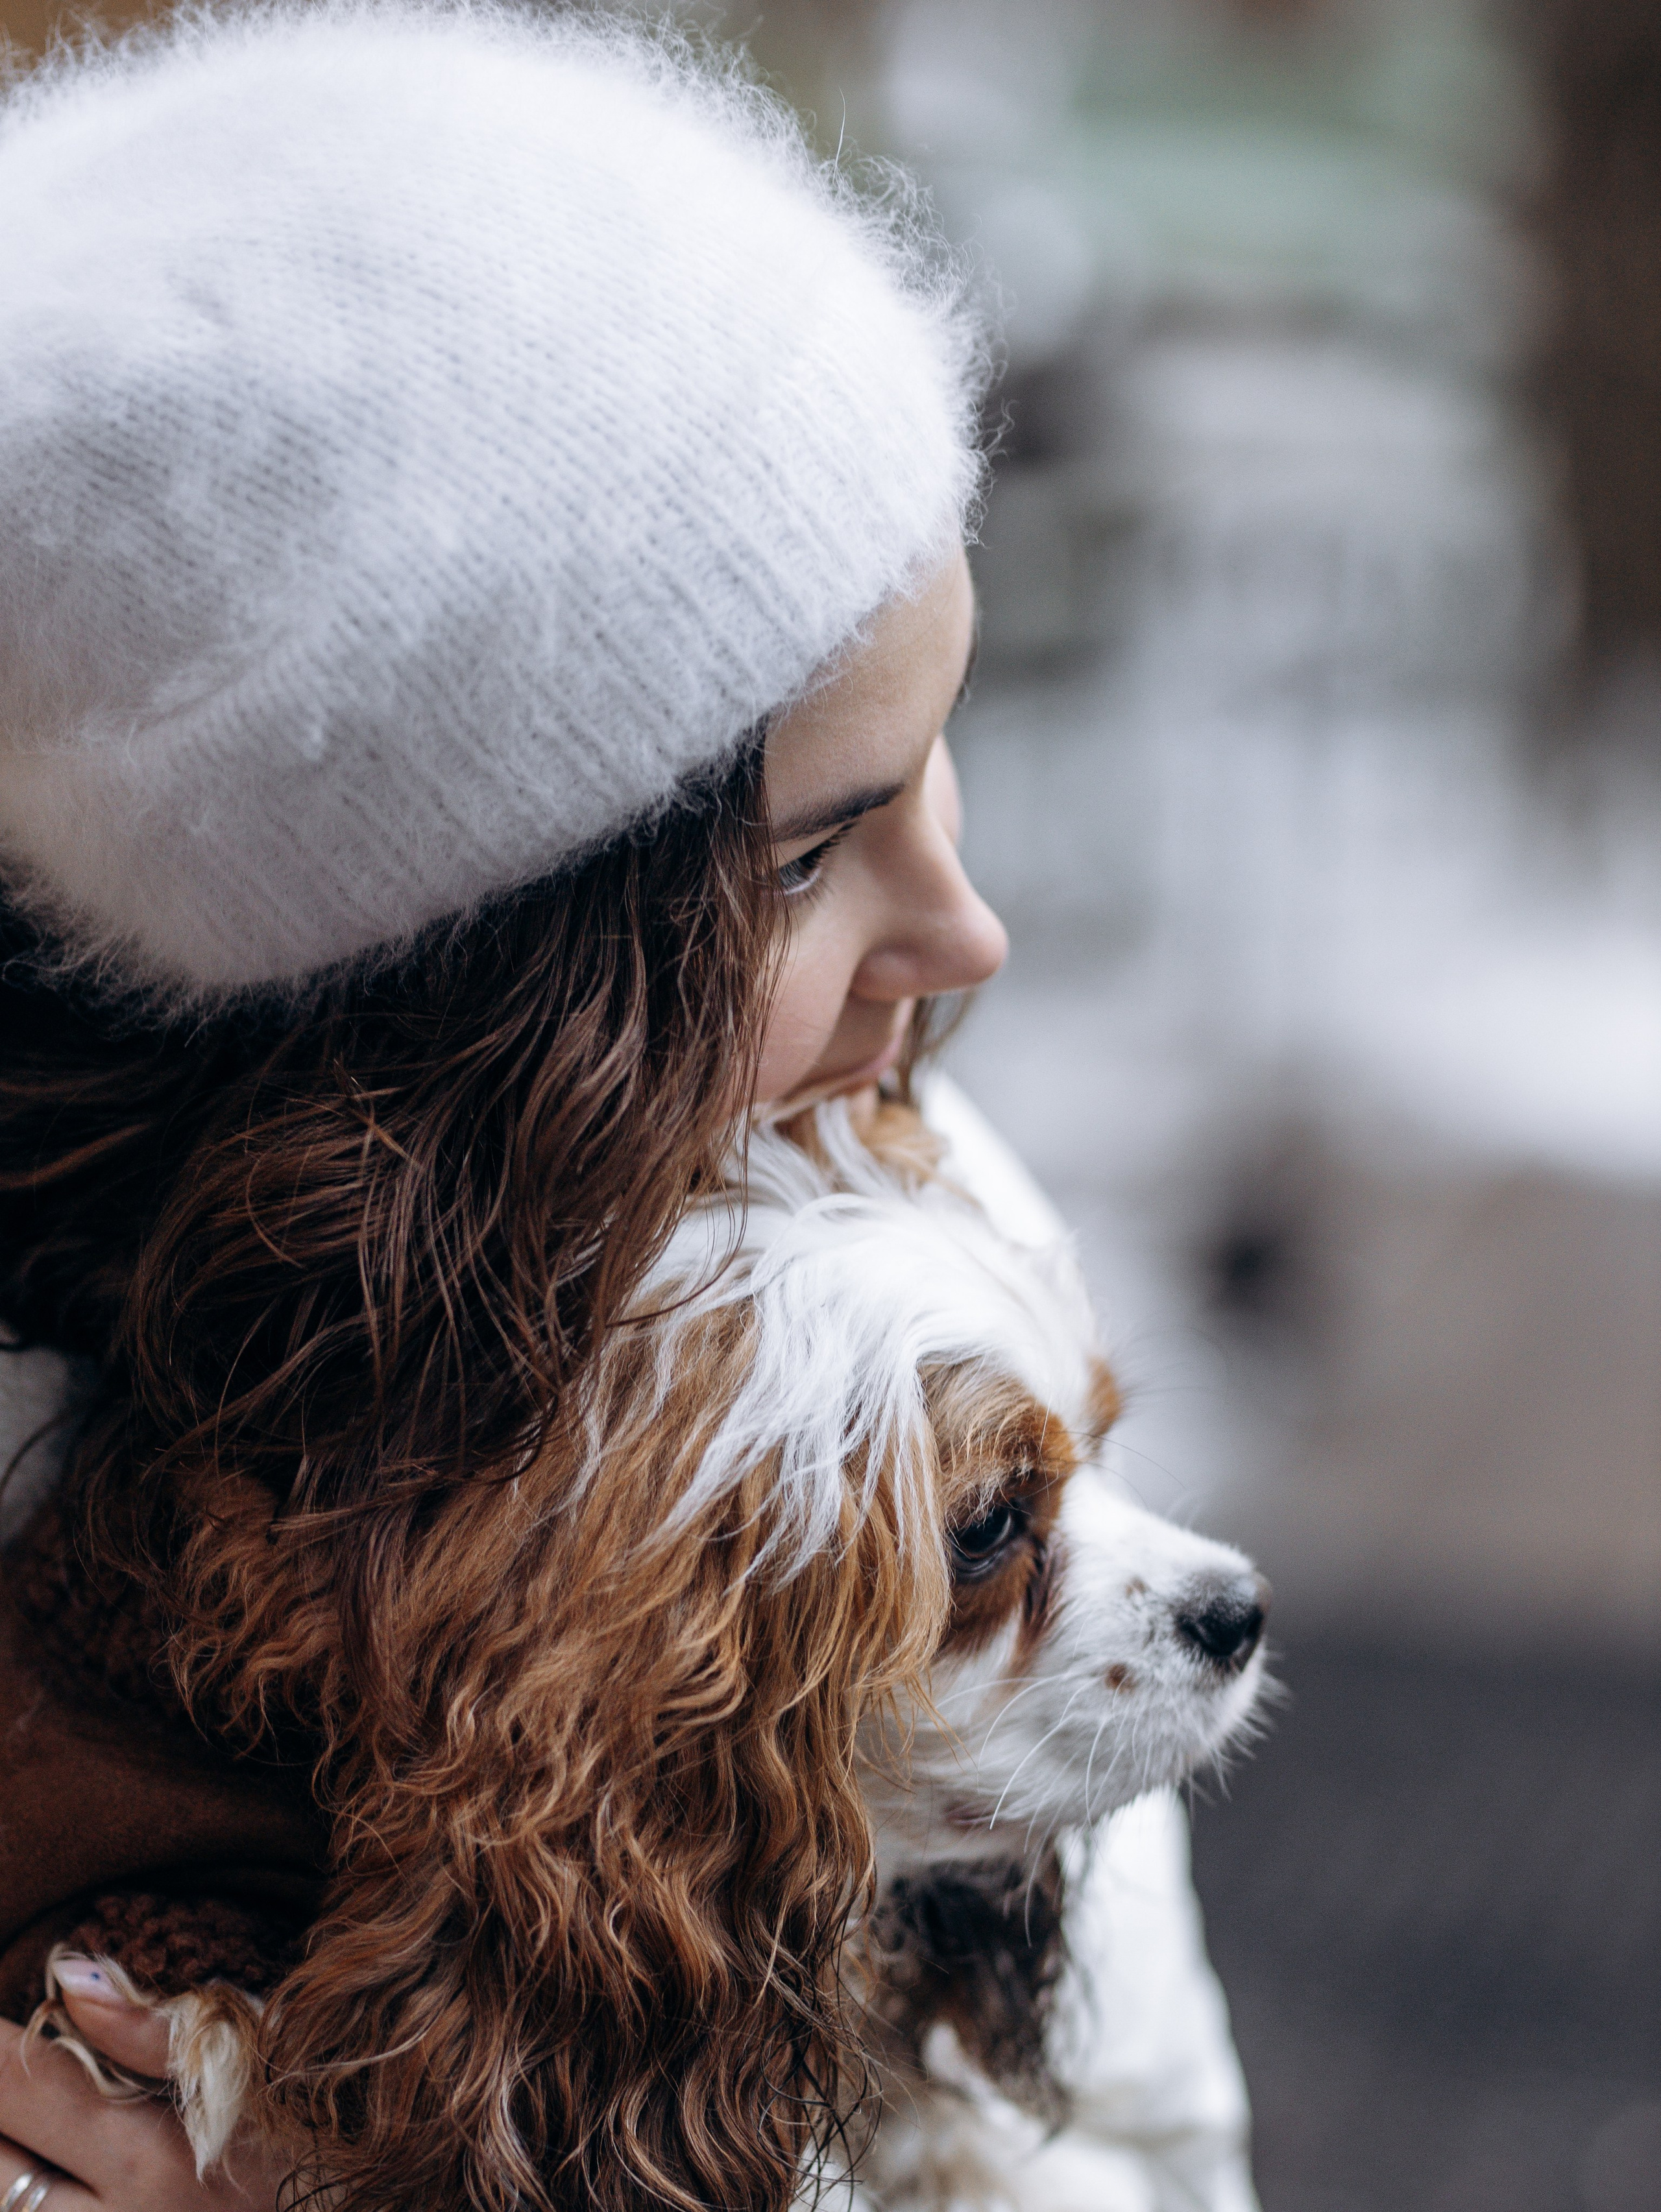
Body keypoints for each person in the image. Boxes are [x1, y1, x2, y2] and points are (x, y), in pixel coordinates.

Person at [0, 8, 1254, 2208]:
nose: (964, 934)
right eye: (807, 855)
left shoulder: (930, 1230)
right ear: (468, 1017)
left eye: (939, 737)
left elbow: (1133, 2151)